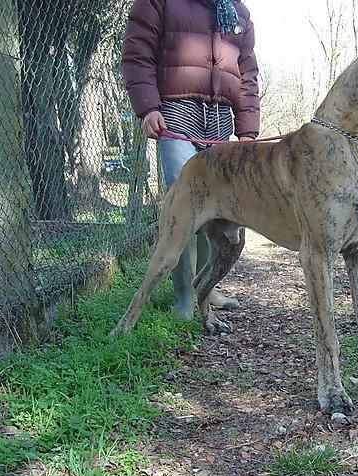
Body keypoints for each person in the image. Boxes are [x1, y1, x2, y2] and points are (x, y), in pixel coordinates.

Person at [121, 0, 260, 320]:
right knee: (183, 201)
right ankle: (184, 296)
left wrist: (247, 131)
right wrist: (148, 107)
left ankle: (206, 288)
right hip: (176, 111)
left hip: (220, 117)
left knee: (218, 205)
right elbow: (137, 53)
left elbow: (248, 73)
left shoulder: (237, 10)